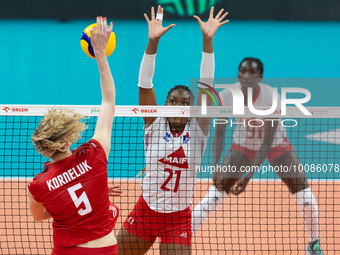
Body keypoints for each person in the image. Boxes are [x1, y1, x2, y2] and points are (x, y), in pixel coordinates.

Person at [114, 5, 228, 255]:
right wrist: (152, 43)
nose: (178, 106)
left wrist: (207, 42)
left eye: (185, 102)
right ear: (164, 105)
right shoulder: (153, 122)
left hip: (177, 220)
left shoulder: (199, 129)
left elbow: (207, 85)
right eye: (173, 101)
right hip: (145, 212)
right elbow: (144, 84)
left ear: (193, 108)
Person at [192, 57, 324, 255]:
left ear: (260, 77)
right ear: (238, 74)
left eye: (252, 73)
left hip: (276, 146)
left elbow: (267, 141)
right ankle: (184, 233)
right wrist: (215, 166)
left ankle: (313, 245)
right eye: (243, 71)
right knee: (215, 195)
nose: (246, 76)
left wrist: (247, 177)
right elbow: (219, 132)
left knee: (305, 197)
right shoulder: (227, 96)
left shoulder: (271, 97)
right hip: (242, 145)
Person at [27, 16, 122, 255]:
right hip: (105, 249)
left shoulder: (39, 185)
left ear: (43, 147)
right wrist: (100, 53)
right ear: (69, 139)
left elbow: (40, 216)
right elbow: (109, 100)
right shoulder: (94, 156)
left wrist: (71, 200)